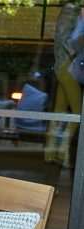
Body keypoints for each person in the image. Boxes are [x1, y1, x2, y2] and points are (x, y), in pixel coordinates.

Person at [46, 2, 82, 168]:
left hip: (63, 65)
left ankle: (50, 152)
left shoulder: (70, 10)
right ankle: (61, 151)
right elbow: (64, 39)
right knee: (78, 112)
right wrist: (75, 54)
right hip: (68, 66)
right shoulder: (72, 10)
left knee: (59, 111)